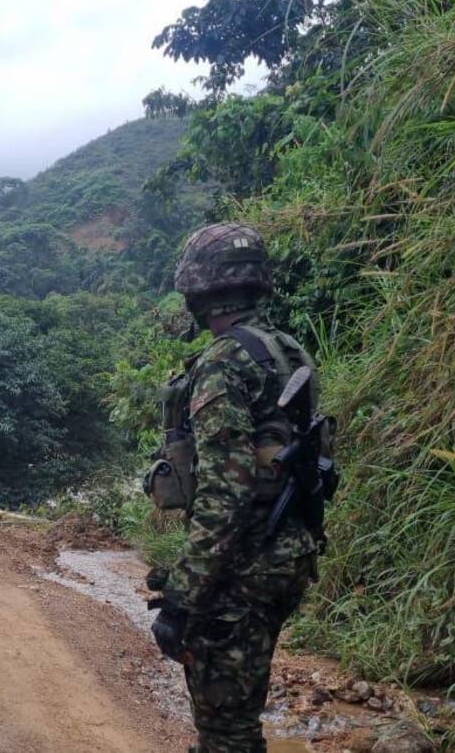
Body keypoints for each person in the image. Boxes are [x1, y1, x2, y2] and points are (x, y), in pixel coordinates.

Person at [149, 223, 322, 753]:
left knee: (227, 731)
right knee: (238, 709)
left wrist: (182, 599)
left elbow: (227, 494)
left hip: (242, 565)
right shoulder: (286, 350)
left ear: (200, 288)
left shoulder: (225, 362)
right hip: (287, 553)